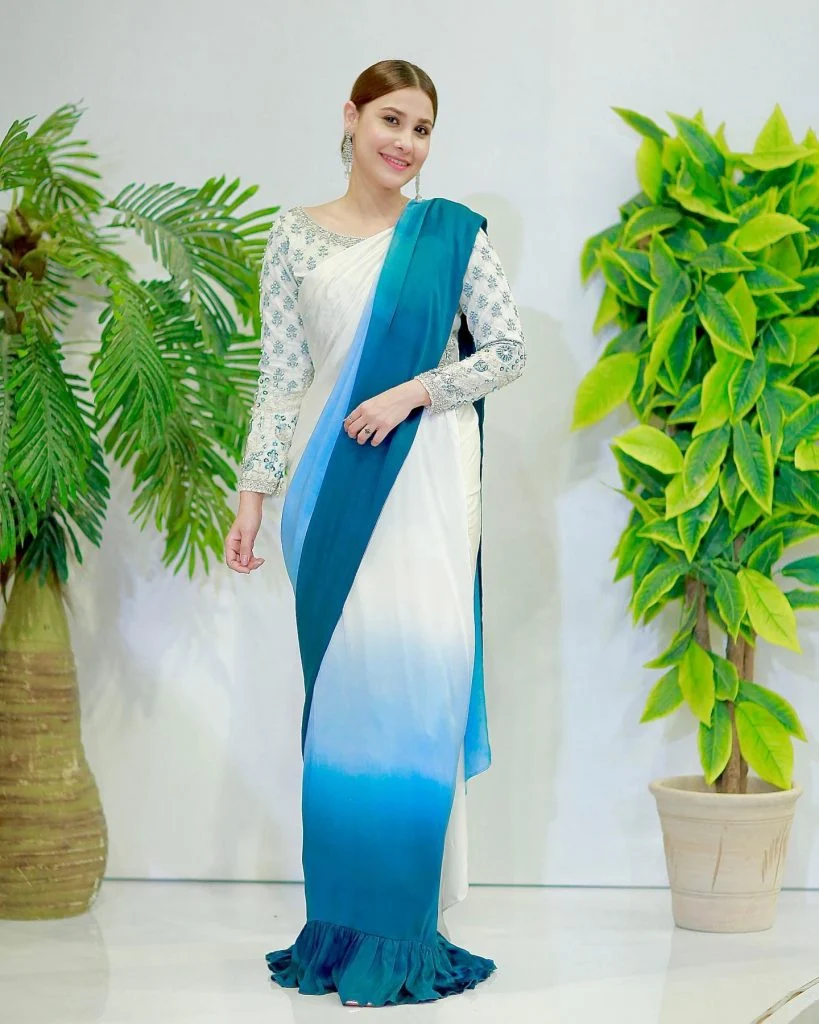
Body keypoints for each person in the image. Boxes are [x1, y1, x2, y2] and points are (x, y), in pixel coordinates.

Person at [225, 58, 526, 1008]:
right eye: (391, 119)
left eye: (423, 128)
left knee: (419, 694)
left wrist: (412, 392)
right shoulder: (293, 237)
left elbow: (507, 350)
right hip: (328, 496)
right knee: (345, 713)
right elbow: (280, 376)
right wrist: (253, 493)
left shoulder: (451, 236)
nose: (406, 142)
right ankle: (339, 931)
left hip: (425, 483)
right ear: (351, 118)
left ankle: (403, 936)